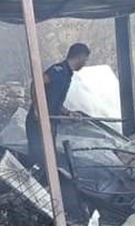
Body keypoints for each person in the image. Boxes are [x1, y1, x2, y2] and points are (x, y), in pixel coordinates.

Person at [25, 42, 90, 178]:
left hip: (50, 123)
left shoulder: (68, 76)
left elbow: (54, 103)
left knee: (49, 159)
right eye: (85, 60)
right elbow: (36, 83)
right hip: (37, 123)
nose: (85, 64)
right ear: (80, 57)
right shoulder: (58, 70)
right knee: (39, 158)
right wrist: (37, 109)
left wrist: (68, 113)